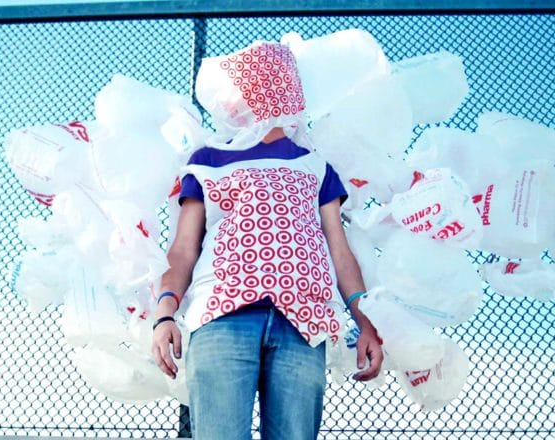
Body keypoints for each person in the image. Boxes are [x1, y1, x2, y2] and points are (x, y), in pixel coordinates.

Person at [150, 41, 383, 440]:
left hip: (302, 322)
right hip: (220, 315)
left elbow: (339, 253)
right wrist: (164, 315)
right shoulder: (208, 159)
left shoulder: (314, 164)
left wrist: (367, 321)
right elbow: (183, 250)